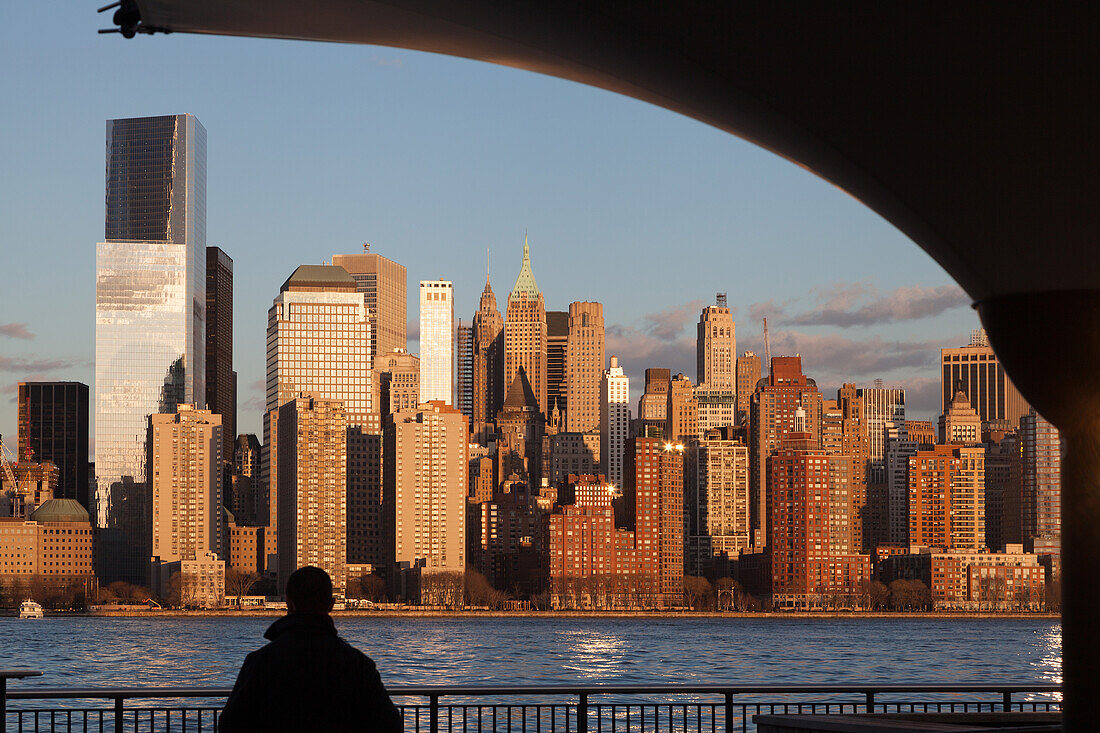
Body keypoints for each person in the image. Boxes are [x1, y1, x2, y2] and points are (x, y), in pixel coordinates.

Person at [219, 566, 402, 732]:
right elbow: (390, 725)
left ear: (289, 604)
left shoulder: (260, 662)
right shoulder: (358, 665)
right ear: (331, 605)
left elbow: (230, 724)